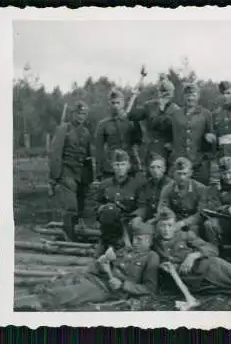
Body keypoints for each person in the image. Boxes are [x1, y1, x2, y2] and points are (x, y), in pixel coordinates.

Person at [14, 214, 159, 311]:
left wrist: (123, 285)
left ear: (149, 240)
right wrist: (101, 262)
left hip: (107, 289)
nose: (136, 241)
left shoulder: (151, 257)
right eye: (135, 238)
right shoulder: (125, 250)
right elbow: (100, 266)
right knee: (51, 284)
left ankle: (16, 306)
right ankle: (18, 300)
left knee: (61, 295)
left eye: (140, 239)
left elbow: (149, 288)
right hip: (93, 277)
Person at [48, 101, 94, 240]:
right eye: (78, 113)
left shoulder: (86, 132)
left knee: (80, 207)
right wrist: (54, 177)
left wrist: (90, 177)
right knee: (71, 207)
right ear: (73, 113)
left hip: (82, 175)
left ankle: (75, 234)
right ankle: (69, 238)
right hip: (67, 172)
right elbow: (55, 154)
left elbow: (88, 156)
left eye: (84, 114)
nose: (81, 116)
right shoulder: (64, 129)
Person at [94, 149, 147, 256]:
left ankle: (108, 245)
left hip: (127, 220)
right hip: (109, 220)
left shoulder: (137, 184)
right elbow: (96, 203)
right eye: (117, 164)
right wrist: (101, 208)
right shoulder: (105, 184)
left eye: (123, 164)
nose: (120, 168)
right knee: (110, 210)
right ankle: (109, 245)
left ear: (128, 166)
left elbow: (143, 206)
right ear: (112, 166)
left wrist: (137, 217)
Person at [127, 75, 180, 171]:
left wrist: (172, 144)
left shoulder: (176, 110)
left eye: (167, 92)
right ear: (158, 92)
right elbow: (131, 115)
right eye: (161, 91)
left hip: (169, 151)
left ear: (172, 94)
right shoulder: (150, 106)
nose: (163, 94)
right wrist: (134, 97)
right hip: (151, 148)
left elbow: (180, 132)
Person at [170, 82, 216, 185]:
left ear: (198, 96)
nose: (190, 98)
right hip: (180, 162)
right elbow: (171, 135)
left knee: (202, 190)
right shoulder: (175, 114)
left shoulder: (206, 114)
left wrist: (210, 141)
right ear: (183, 96)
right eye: (187, 95)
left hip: (199, 162)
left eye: (193, 95)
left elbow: (211, 135)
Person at [95, 88, 143, 181]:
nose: (115, 106)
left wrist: (137, 163)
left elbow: (139, 141)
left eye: (118, 102)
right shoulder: (103, 124)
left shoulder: (131, 121)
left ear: (123, 103)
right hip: (111, 167)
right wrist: (98, 172)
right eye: (113, 103)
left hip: (130, 165)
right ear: (109, 104)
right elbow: (98, 150)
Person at [157, 157, 207, 235]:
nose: (182, 177)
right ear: (174, 173)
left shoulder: (201, 189)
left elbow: (201, 214)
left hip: (193, 223)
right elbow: (162, 208)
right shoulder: (167, 189)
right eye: (179, 173)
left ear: (190, 173)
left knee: (194, 230)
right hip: (173, 220)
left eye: (185, 173)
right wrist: (170, 221)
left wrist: (182, 223)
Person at [130, 155, 173, 236]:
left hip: (165, 218)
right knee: (133, 223)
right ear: (149, 169)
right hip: (149, 216)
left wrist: (156, 219)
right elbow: (142, 205)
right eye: (152, 167)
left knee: (151, 227)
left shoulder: (171, 185)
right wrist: (138, 217)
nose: (155, 170)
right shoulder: (146, 185)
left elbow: (170, 208)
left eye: (158, 167)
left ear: (164, 169)